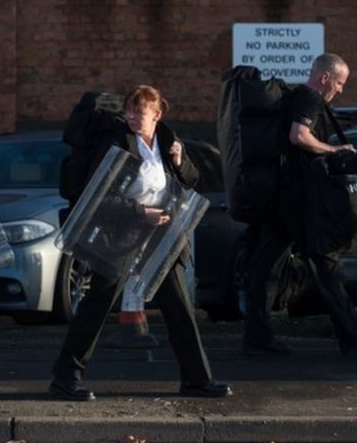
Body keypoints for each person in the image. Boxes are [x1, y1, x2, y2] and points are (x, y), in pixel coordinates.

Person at [49, 85, 232, 401]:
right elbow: (100, 196)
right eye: (129, 111)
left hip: (161, 236)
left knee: (179, 308)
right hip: (121, 236)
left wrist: (178, 160)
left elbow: (191, 180)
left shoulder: (165, 142)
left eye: (140, 112)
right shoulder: (116, 141)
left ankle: (197, 380)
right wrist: (139, 213)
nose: (132, 117)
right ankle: (65, 378)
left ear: (157, 115)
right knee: (96, 306)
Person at [242, 53, 357, 356]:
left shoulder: (295, 97)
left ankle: (257, 336)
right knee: (326, 263)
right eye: (339, 82)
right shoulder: (309, 97)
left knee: (267, 266)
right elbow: (299, 136)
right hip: (297, 199)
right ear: (324, 77)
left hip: (280, 196)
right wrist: (334, 149)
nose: (340, 89)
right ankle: (352, 335)